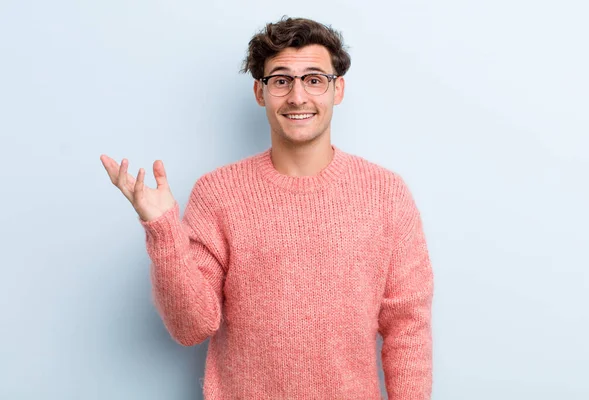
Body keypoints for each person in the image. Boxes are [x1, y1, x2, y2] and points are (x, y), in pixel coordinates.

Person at [100, 16, 433, 400]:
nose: (297, 97)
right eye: (280, 80)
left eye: (313, 79)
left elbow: (408, 327)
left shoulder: (386, 194)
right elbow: (191, 327)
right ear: (260, 92)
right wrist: (162, 228)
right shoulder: (217, 193)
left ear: (337, 89)